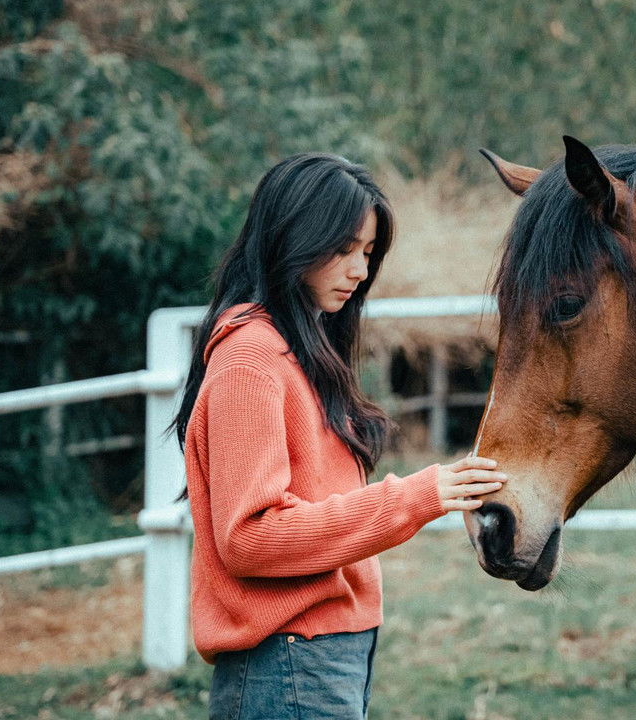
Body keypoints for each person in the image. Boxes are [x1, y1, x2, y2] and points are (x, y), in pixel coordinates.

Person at [170, 153, 505, 720]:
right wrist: (415, 497)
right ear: (293, 238)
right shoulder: (251, 359)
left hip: (323, 653)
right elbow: (250, 538)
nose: (359, 271)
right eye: (344, 248)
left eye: (368, 253)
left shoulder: (297, 352)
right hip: (288, 658)